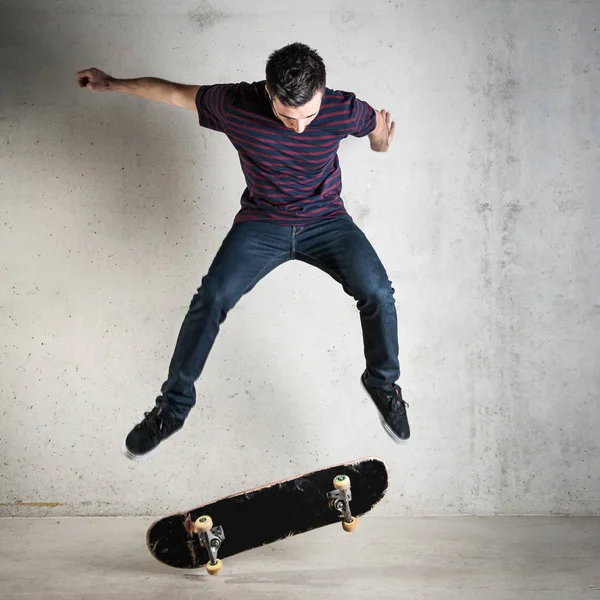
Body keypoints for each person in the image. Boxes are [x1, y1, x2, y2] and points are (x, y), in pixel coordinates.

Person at [77, 42, 410, 459]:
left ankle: (382, 382)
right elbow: (173, 92)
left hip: (326, 222)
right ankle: (172, 408)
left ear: (322, 93)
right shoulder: (235, 103)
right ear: (269, 93)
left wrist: (381, 140)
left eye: (309, 115)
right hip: (261, 225)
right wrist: (113, 84)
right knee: (211, 298)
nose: (300, 127)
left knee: (378, 291)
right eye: (289, 117)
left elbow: (377, 138)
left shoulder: (343, 108)